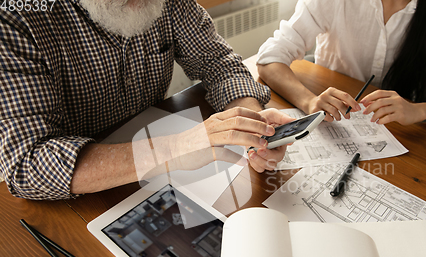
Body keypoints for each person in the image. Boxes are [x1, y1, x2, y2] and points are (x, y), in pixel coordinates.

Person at [0, 0, 294, 200]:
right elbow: (27, 164)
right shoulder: (15, 16)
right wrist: (180, 146)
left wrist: (250, 122)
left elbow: (218, 63)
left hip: (158, 177)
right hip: (82, 195)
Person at [256, 0, 426, 125]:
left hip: (397, 130)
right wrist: (309, 102)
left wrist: (417, 111)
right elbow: (270, 56)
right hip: (333, 118)